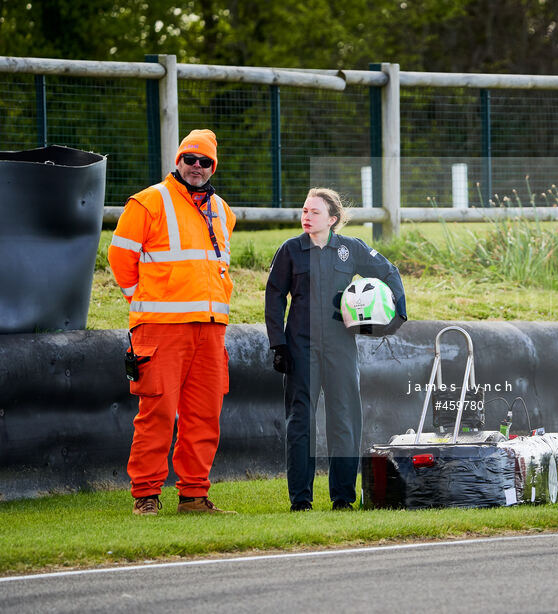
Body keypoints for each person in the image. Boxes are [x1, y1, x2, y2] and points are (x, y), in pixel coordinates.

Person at [108, 129, 237, 515]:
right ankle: (145, 496)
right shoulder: (148, 202)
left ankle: (194, 497)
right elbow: (119, 259)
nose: (196, 167)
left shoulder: (223, 211)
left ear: (213, 166)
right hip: (160, 330)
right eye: (190, 159)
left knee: (204, 415)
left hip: (211, 330)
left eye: (205, 162)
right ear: (178, 161)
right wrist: (143, 301)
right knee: (157, 413)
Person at [264, 188, 407, 512]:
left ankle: (343, 498)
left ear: (332, 219)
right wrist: (279, 344)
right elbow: (274, 298)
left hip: (341, 345)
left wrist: (397, 316)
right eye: (304, 210)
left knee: (345, 419)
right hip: (301, 346)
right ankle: (300, 499)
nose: (306, 216)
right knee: (300, 421)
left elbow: (388, 272)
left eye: (314, 212)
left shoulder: (351, 249)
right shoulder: (289, 250)